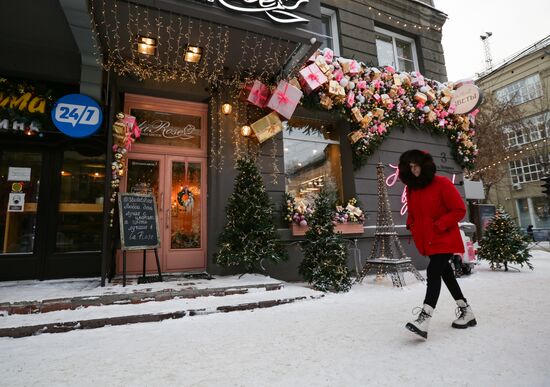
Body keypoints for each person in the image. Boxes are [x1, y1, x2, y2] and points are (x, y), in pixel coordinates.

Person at [398, 150, 476, 339]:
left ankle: (424, 318)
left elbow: (459, 209)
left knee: (433, 272)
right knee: (446, 274)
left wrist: (440, 224)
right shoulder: (412, 188)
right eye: (410, 167)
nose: (414, 170)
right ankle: (467, 312)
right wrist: (411, 223)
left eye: (416, 165)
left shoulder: (442, 183)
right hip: (428, 239)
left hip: (444, 237)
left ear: (424, 166)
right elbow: (414, 211)